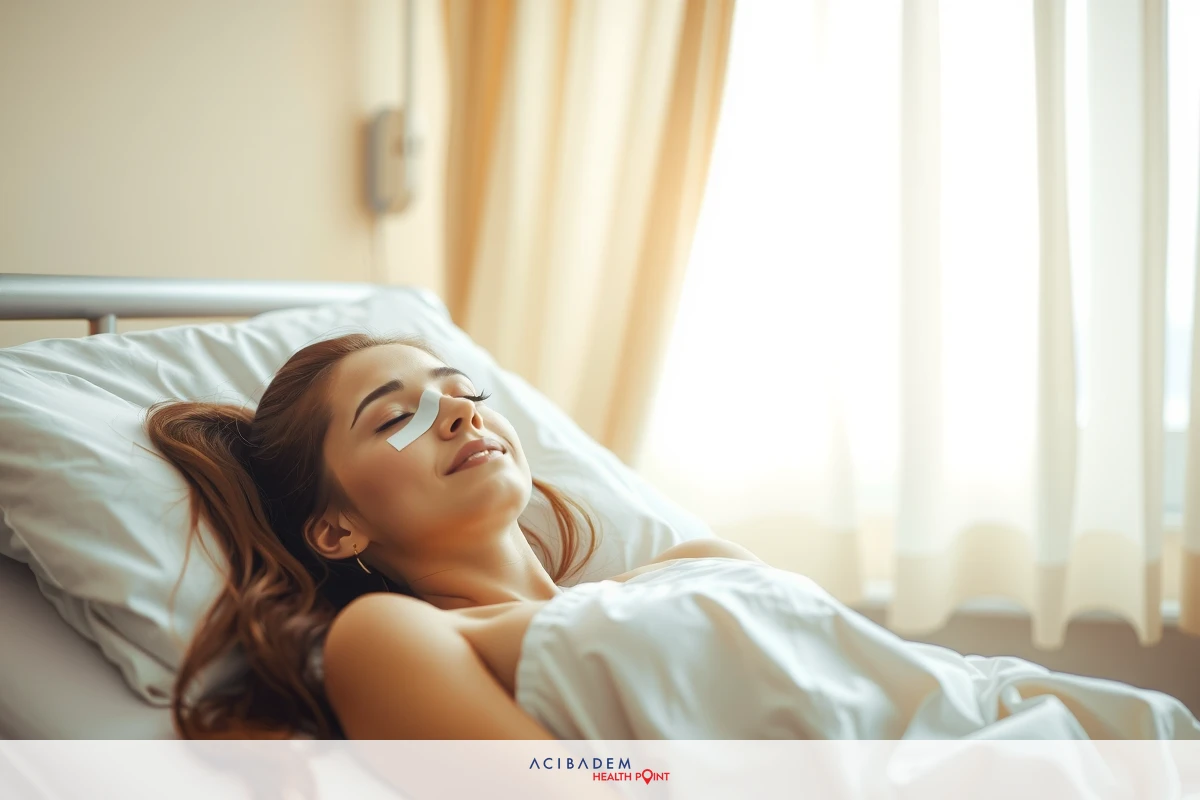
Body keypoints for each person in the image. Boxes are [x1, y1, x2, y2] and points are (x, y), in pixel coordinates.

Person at [148, 334, 1200, 741]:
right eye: (398, 414)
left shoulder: (683, 565)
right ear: (335, 524)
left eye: (462, 393)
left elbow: (899, 675)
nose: (460, 414)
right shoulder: (396, 635)